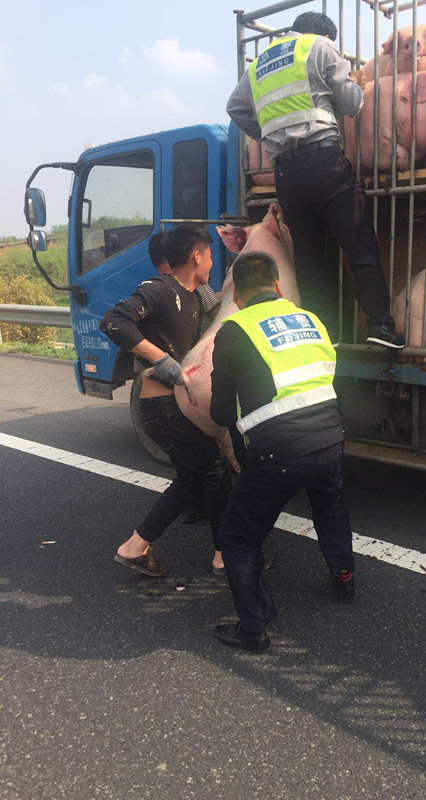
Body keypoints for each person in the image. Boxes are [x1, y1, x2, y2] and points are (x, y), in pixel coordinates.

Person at [226, 11, 404, 349]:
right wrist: (356, 85)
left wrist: (268, 133)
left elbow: (235, 109)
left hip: (286, 175)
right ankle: (380, 327)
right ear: (324, 35)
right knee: (359, 245)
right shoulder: (318, 48)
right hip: (323, 162)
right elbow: (351, 104)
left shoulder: (259, 65)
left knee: (310, 259)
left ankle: (326, 335)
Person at [209, 251, 355, 654]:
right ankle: (345, 579)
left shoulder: (234, 328)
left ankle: (253, 630)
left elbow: (220, 410)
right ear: (277, 285)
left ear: (236, 293)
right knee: (330, 507)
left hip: (276, 454)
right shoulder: (311, 319)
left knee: (237, 538)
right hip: (329, 439)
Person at [100, 224, 231, 577]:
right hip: (160, 407)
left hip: (178, 405)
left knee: (191, 479)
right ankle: (224, 557)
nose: (212, 264)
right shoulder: (159, 289)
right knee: (215, 470)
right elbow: (113, 321)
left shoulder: (193, 295)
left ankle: (136, 548)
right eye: (209, 255)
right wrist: (160, 360)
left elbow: (215, 310)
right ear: (197, 255)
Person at [147, 231, 222, 526]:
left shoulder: (190, 288)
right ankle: (205, 512)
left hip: (190, 379)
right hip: (184, 381)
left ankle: (198, 503)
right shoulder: (175, 288)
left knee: (196, 456)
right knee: (205, 458)